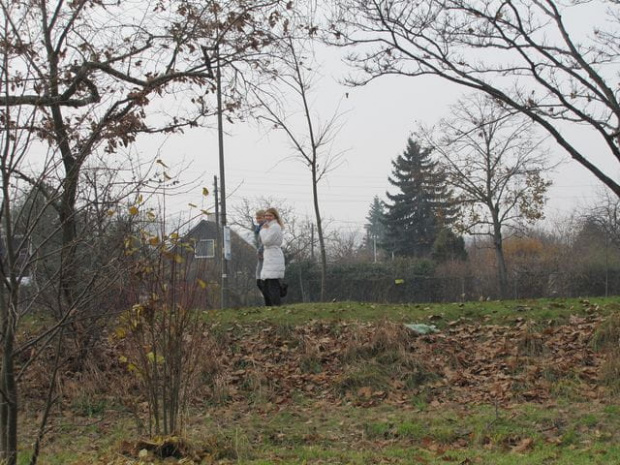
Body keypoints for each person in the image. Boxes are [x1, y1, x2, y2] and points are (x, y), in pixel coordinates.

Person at [259, 207, 285, 306]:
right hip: (270, 256)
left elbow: (266, 241)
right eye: (266, 215)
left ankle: (275, 305)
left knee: (272, 283)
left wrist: (263, 231)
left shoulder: (274, 227)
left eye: (270, 215)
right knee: (266, 285)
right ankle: (270, 305)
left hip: (273, 256)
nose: (267, 217)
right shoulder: (270, 226)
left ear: (274, 216)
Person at [253, 209, 269, 305]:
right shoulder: (258, 228)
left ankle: (269, 298)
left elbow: (264, 241)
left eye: (259, 217)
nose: (257, 219)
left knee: (260, 277)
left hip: (264, 254)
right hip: (260, 254)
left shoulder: (265, 227)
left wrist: (260, 251)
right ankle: (267, 298)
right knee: (259, 277)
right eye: (256, 218)